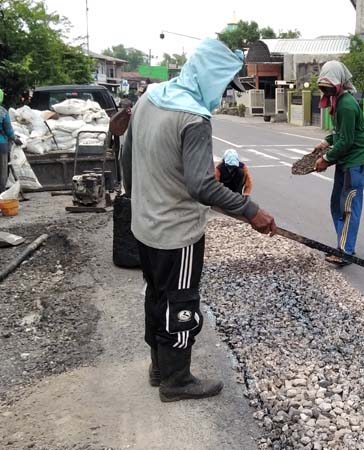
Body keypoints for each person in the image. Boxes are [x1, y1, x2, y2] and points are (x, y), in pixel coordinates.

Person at [119, 38, 277, 403]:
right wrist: (250, 210)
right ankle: (176, 379)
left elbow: (126, 152)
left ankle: (159, 367)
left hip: (144, 225)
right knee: (180, 301)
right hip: (177, 234)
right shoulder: (193, 117)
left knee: (156, 294)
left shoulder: (150, 97)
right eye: (224, 86)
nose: (223, 96)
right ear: (211, 77)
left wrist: (136, 196)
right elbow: (202, 185)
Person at [313, 61, 364, 266]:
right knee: (336, 203)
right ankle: (344, 243)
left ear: (339, 82)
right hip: (346, 160)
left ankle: (345, 251)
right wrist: (326, 142)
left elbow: (347, 141)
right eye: (323, 85)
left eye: (329, 85)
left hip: (356, 161)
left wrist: (326, 159)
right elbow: (340, 134)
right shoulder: (337, 101)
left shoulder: (346, 105)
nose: (326, 89)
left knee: (348, 206)